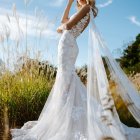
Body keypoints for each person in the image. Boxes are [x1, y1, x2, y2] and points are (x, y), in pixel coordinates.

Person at [11, 0, 140, 139]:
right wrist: (69, 3)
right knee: (66, 80)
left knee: (66, 81)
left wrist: (61, 27)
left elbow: (66, 25)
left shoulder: (86, 8)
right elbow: (63, 20)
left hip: (68, 44)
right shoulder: (83, 10)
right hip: (67, 44)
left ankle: (66, 121)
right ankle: (63, 117)